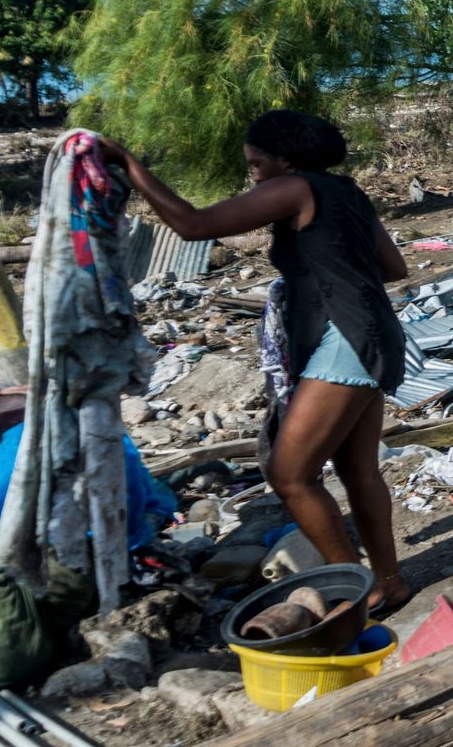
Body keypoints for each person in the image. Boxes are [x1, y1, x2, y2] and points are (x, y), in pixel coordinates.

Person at [102, 111, 412, 611]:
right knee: (360, 473)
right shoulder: (347, 192)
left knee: (290, 475)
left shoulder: (294, 188)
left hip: (344, 338)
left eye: (256, 164)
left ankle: (352, 589)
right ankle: (388, 581)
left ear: (284, 159)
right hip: (374, 333)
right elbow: (394, 267)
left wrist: (131, 165)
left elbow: (192, 225)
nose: (254, 175)